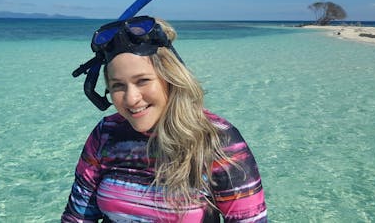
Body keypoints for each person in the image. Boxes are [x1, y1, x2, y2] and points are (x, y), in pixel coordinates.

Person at [62, 16, 267, 222]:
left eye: (143, 81)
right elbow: (76, 217)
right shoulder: (106, 134)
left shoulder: (217, 139)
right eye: (118, 85)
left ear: (170, 78)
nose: (131, 99)